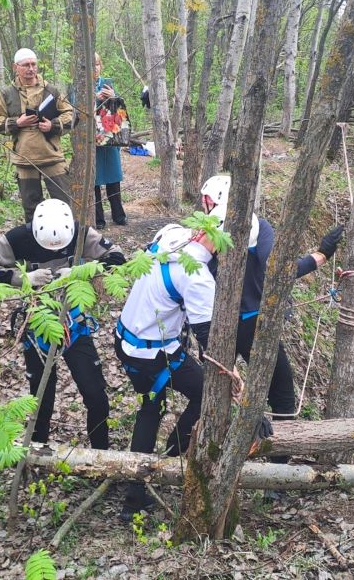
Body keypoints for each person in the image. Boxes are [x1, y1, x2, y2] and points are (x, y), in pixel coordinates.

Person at [0, 199, 124, 450]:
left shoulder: (81, 233)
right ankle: (37, 453)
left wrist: (79, 272)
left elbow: (117, 257)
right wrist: (22, 278)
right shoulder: (18, 238)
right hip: (37, 325)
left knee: (95, 395)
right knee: (41, 398)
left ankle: (100, 453)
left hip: (74, 323)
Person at [199, 174, 344, 425]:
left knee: (214, 394)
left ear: (209, 200)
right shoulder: (259, 227)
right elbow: (280, 272)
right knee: (282, 396)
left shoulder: (200, 236)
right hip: (254, 324)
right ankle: (280, 458)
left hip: (213, 325)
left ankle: (206, 449)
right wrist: (322, 254)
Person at [115, 222, 218, 520]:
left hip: (126, 340)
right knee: (205, 394)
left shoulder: (171, 234)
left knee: (150, 408)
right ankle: (172, 457)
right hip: (154, 352)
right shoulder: (197, 276)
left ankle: (135, 495)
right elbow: (209, 340)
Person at [0, 48, 74, 222]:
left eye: (34, 64)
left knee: (63, 204)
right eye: (26, 65)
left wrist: (52, 125)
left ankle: (67, 245)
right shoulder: (7, 94)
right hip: (25, 159)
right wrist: (16, 123)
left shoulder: (51, 90)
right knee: (31, 208)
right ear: (15, 67)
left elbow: (71, 115)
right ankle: (35, 245)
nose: (31, 68)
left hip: (52, 157)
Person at [92, 53, 127, 229]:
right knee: (95, 180)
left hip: (110, 138)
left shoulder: (108, 84)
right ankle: (98, 219)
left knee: (114, 178)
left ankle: (118, 215)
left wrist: (114, 97)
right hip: (92, 140)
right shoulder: (80, 86)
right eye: (91, 65)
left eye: (97, 64)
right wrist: (94, 99)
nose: (95, 68)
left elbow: (120, 111)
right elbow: (75, 109)